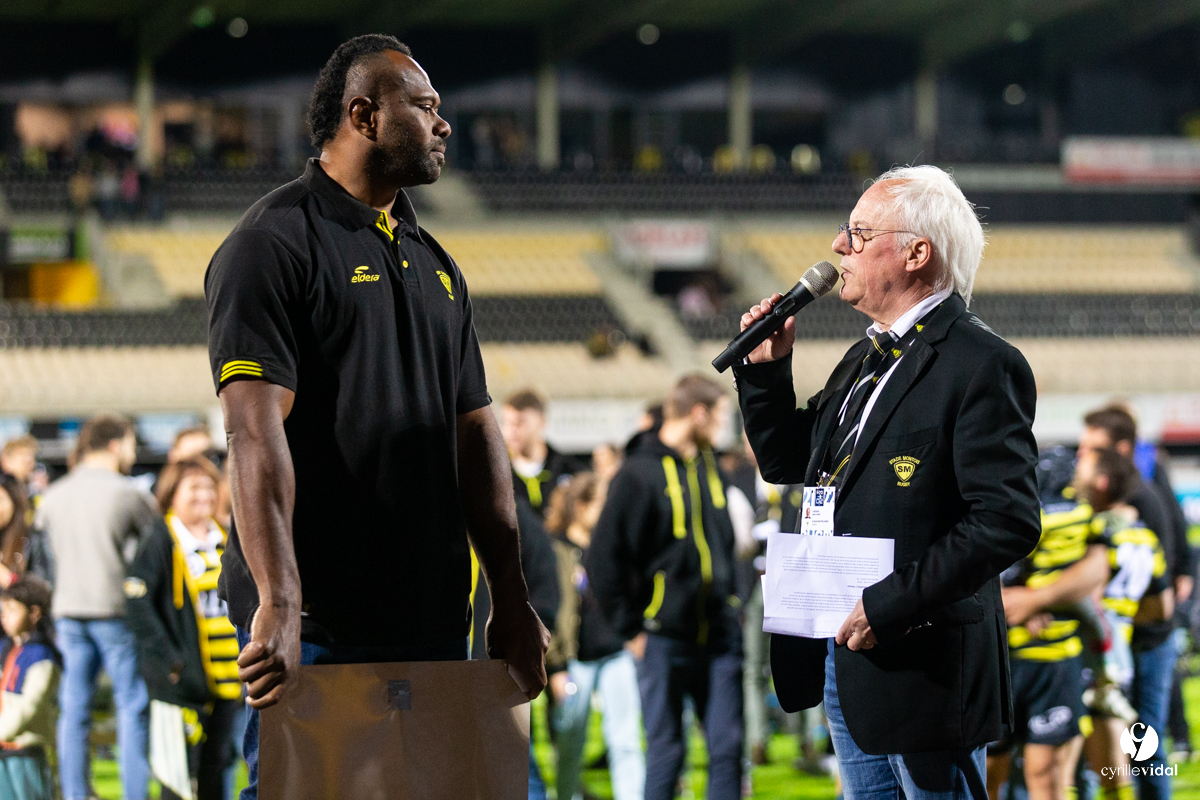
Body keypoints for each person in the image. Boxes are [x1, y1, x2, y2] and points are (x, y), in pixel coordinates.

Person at [203, 34, 548, 800]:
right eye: (425, 107)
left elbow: (476, 435)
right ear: (363, 115)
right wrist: (280, 600)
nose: (444, 124)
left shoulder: (435, 261)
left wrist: (512, 598)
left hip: (431, 619)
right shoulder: (270, 244)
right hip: (321, 625)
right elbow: (254, 435)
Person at [734, 165, 1041, 800]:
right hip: (846, 656)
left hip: (920, 661)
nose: (839, 247)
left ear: (916, 252)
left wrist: (889, 603)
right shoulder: (864, 358)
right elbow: (790, 462)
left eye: (858, 233)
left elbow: (1006, 520)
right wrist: (767, 372)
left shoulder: (981, 363)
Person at [589, 374, 743, 800]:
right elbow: (603, 559)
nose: (724, 427)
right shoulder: (637, 473)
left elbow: (723, 543)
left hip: (719, 634)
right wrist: (631, 630)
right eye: (721, 417)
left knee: (728, 750)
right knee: (666, 752)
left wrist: (735, 601)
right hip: (661, 638)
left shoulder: (709, 464)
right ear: (698, 413)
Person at [36, 413, 156, 800]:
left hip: (67, 611)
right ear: (115, 444)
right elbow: (154, 547)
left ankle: (73, 793)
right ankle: (134, 794)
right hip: (116, 612)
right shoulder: (128, 492)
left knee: (74, 711)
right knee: (131, 706)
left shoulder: (53, 496)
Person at [1078, 406, 1185, 800]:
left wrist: (1113, 614)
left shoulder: (1141, 502)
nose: (1083, 455)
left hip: (1146, 642)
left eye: (1093, 447)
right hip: (1121, 640)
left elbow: (1160, 589)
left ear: (1119, 450)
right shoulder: (1112, 504)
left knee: (1142, 745)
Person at [126, 456, 243, 800]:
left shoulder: (224, 535)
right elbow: (137, 603)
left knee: (218, 767)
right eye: (194, 487)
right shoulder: (161, 538)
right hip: (181, 683)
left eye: (209, 486)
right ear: (172, 493)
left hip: (227, 681)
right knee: (178, 776)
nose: (204, 495)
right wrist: (172, 662)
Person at [988, 497, 1109, 800]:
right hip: (992, 665)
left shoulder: (1066, 500)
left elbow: (1099, 562)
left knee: (1047, 774)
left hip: (1053, 663)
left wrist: (1037, 598)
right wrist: (1004, 602)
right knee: (984, 774)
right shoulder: (972, 494)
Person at [546, 472, 645, 800]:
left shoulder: (611, 547)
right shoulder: (556, 550)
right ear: (582, 506)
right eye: (601, 503)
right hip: (575, 662)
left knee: (626, 740)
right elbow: (552, 609)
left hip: (616, 654)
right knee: (570, 743)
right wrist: (556, 666)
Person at [0, 576, 61, 800]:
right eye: (2, 609)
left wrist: (3, 731)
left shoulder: (41, 656)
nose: (4, 615)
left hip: (27, 749)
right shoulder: (5, 650)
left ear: (34, 613)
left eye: (12, 609)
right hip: (2, 751)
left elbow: (30, 704)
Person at [501, 389, 582, 517]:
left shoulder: (569, 470)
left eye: (520, 422)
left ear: (542, 422)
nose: (512, 431)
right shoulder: (497, 474)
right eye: (508, 423)